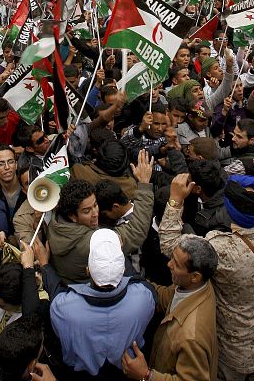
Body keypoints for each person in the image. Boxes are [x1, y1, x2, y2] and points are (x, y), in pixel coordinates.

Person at [158, 159, 254, 380]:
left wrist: (175, 200)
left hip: (228, 350)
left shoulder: (218, 246)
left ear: (230, 210)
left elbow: (169, 244)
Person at [36, 229, 155, 378]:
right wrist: (118, 253)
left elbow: (55, 290)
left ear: (87, 271)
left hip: (80, 373)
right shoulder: (144, 297)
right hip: (127, 371)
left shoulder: (64, 307)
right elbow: (137, 278)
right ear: (123, 269)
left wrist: (44, 264)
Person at [46, 150, 154, 284]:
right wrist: (144, 185)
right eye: (86, 211)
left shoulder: (55, 223)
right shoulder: (93, 244)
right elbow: (135, 232)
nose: (95, 213)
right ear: (72, 216)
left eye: (95, 205)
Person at [121, 235, 218, 381]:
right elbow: (166, 297)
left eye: (177, 264)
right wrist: (133, 281)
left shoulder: (191, 337)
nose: (169, 264)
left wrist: (146, 375)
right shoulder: (195, 287)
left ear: (195, 276)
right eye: (172, 257)